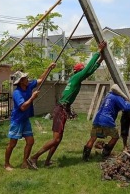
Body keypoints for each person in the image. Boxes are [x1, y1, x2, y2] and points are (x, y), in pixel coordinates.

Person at [27, 41, 107, 169]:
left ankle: (47, 161)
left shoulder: (75, 79)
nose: (85, 73)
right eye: (83, 71)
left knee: (58, 139)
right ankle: (34, 157)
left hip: (62, 109)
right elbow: (88, 70)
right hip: (61, 109)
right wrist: (98, 52)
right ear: (79, 71)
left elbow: (89, 71)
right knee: (56, 139)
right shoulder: (76, 78)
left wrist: (100, 59)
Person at [4, 63, 56, 171]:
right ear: (21, 81)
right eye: (25, 78)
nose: (28, 78)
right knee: (12, 144)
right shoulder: (17, 93)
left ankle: (25, 162)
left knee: (30, 141)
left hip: (25, 120)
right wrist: (32, 98)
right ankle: (6, 164)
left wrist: (48, 68)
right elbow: (23, 107)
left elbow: (41, 80)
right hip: (17, 120)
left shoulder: (28, 86)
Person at [83, 84, 130, 161]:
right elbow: (126, 108)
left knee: (93, 138)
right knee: (115, 136)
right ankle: (105, 153)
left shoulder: (108, 95)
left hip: (98, 118)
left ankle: (85, 157)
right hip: (107, 120)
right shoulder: (117, 97)